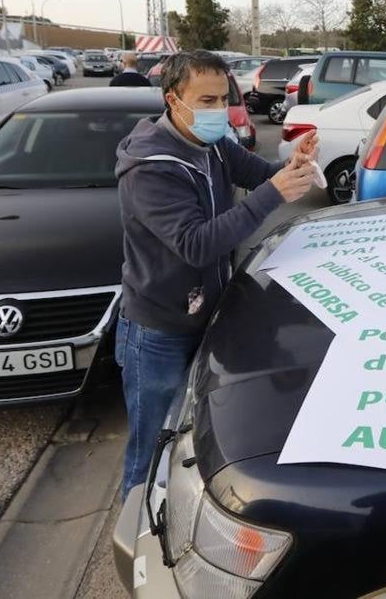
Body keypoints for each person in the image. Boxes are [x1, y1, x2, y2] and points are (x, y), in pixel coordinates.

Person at [114, 50, 318, 498]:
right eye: (205, 100)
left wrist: (292, 165)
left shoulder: (213, 145)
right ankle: (135, 531)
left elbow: (260, 174)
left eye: (223, 99)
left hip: (207, 312)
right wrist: (272, 194)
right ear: (174, 99)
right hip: (158, 328)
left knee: (190, 431)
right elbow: (196, 243)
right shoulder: (150, 169)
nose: (217, 111)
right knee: (151, 446)